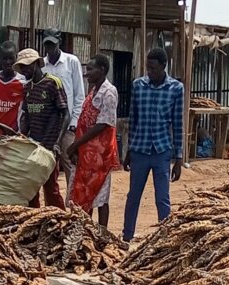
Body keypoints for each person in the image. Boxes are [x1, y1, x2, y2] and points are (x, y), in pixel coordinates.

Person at [122, 48, 184, 242]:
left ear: (164, 66)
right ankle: (126, 236)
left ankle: (164, 239)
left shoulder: (176, 88)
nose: (150, 72)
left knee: (162, 198)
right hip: (139, 149)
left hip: (161, 150)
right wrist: (129, 151)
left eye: (154, 68)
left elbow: (178, 123)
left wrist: (179, 158)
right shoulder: (138, 85)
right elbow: (133, 120)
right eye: (148, 68)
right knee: (133, 196)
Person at [66, 54, 121, 228]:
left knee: (100, 196)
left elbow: (103, 124)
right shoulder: (93, 91)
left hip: (100, 155)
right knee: (85, 193)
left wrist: (75, 144)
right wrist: (78, 147)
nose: (86, 73)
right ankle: (84, 231)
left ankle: (101, 234)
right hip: (87, 154)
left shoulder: (109, 92)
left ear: (102, 70)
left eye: (90, 69)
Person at [16, 48, 69, 210]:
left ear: (37, 64)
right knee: (31, 188)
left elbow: (65, 114)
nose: (24, 70)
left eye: (27, 66)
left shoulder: (53, 83)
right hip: (33, 145)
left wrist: (58, 143)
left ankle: (61, 222)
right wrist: (20, 137)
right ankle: (35, 221)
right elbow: (26, 115)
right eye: (22, 67)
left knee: (51, 189)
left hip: (49, 145)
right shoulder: (27, 88)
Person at [42, 27, 86, 186]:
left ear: (59, 43)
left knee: (70, 163)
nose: (50, 49)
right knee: (47, 165)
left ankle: (73, 203)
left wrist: (74, 122)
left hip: (67, 123)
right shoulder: (42, 65)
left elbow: (79, 94)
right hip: (48, 124)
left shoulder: (71, 62)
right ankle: (52, 205)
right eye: (47, 45)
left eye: (52, 45)